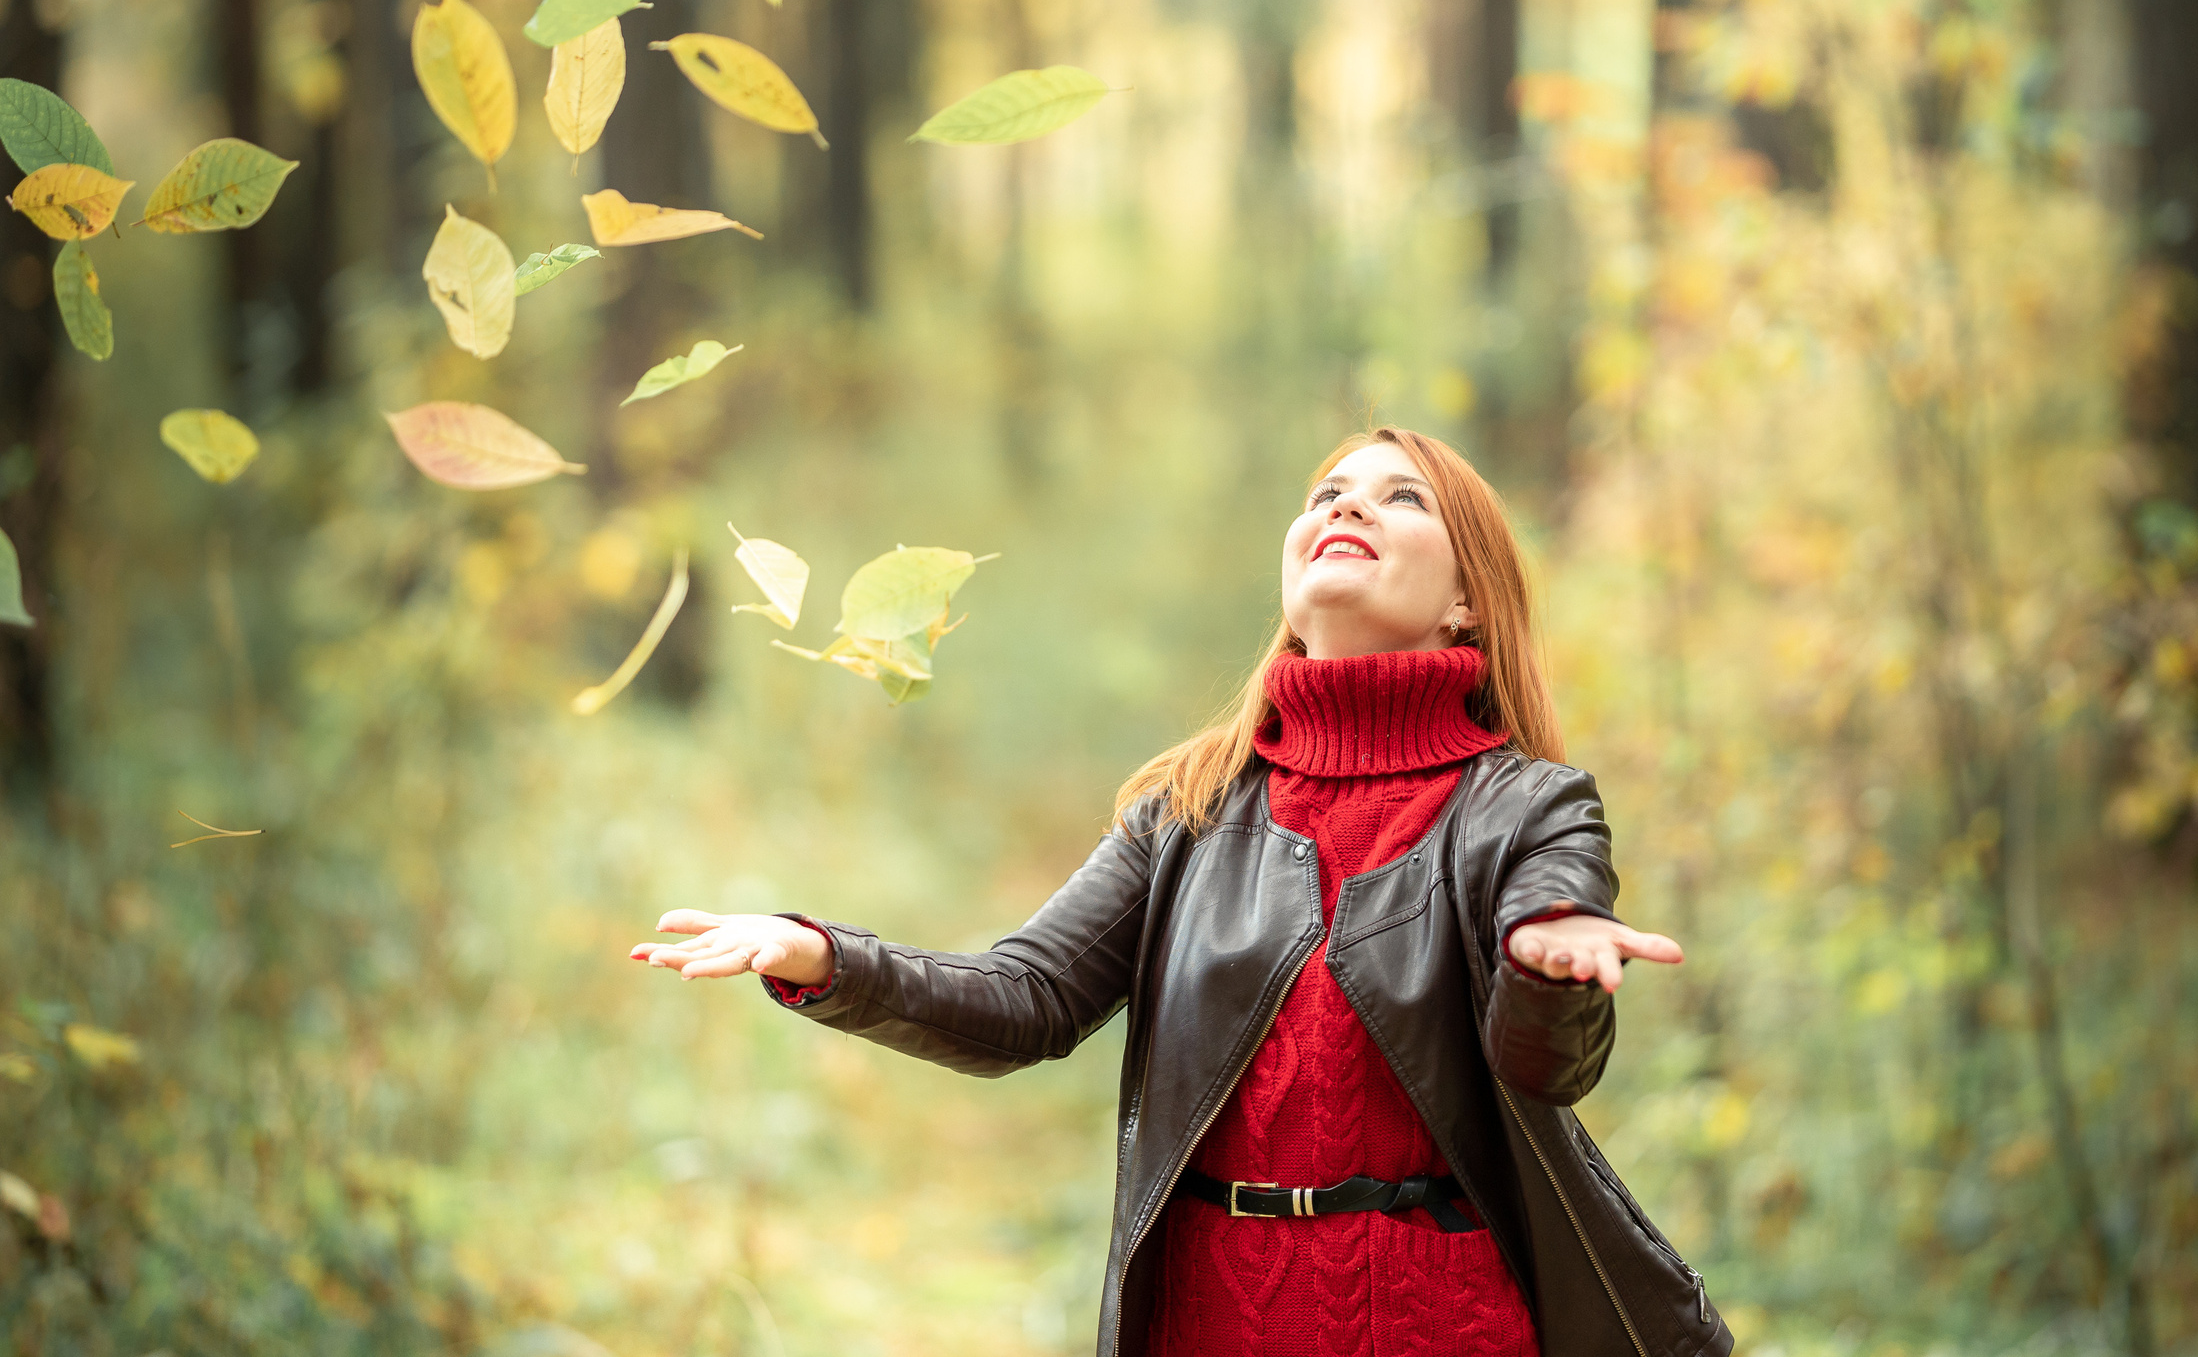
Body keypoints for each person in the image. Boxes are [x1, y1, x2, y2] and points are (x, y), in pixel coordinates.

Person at [630, 426, 1732, 1357]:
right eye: (1328, 493)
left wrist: (1550, 964)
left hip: (1437, 1317)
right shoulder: (1193, 802)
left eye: (1403, 497)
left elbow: (1546, 1060)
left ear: (1466, 603)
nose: (1351, 505)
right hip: (1211, 1311)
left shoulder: (1527, 805)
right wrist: (823, 955)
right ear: (1294, 573)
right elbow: (1028, 997)